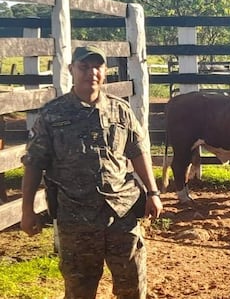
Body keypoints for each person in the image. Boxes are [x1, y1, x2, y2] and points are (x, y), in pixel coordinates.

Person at [20, 45, 163, 299]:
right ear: (71, 70)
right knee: (80, 291)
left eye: (97, 66)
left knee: (133, 288)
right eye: (84, 67)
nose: (91, 73)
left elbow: (138, 151)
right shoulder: (53, 114)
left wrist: (153, 192)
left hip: (122, 213)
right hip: (76, 219)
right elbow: (34, 163)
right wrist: (27, 210)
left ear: (105, 71)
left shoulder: (121, 110)